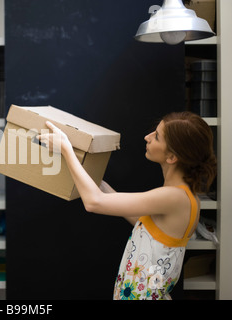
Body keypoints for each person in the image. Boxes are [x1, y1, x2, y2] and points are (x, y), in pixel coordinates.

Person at [38, 111, 216, 300]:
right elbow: (145, 225)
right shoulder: (183, 195)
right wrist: (81, 165)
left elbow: (94, 202)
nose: (147, 138)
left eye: (156, 136)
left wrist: (66, 149)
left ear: (172, 157)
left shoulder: (173, 197)